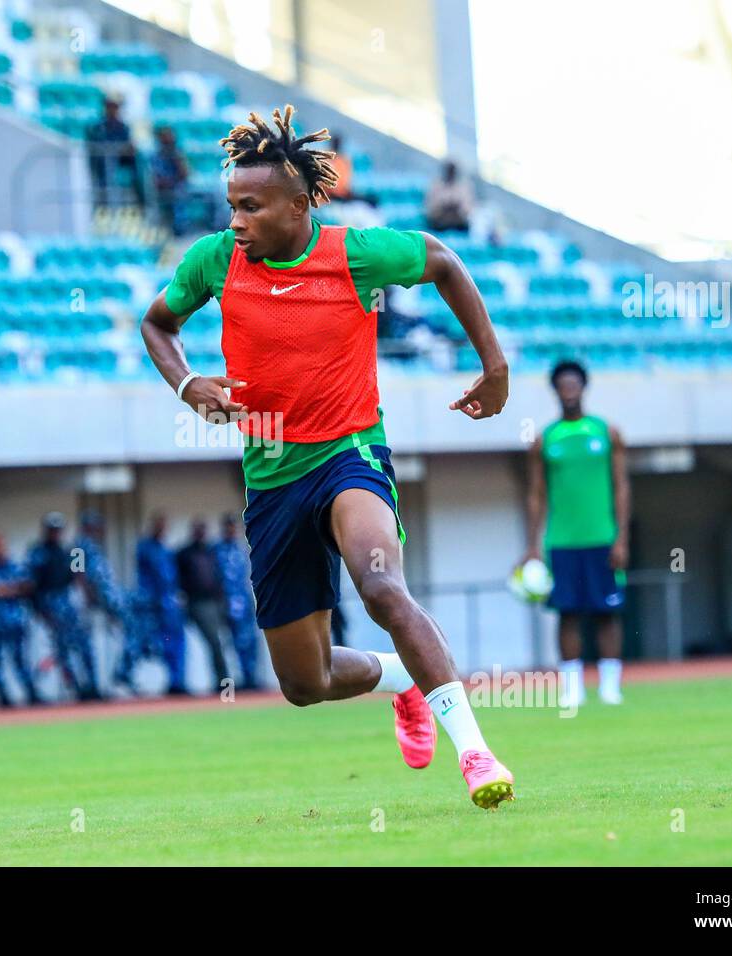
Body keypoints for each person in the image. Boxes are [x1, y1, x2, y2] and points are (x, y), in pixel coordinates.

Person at [139, 104, 515, 809]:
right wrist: (189, 383)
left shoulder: (356, 253)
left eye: (251, 207)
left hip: (350, 453)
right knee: (303, 684)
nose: (236, 221)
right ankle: (400, 681)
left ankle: (476, 752)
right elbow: (158, 324)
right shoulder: (213, 261)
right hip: (272, 476)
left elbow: (444, 261)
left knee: (381, 587)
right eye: (231, 206)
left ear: (301, 204)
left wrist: (493, 366)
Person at [519, 360, 630, 707]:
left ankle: (610, 687)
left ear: (584, 388)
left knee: (606, 613)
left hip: (602, 538)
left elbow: (621, 486)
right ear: (555, 391)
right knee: (567, 613)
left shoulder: (606, 432)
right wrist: (533, 546)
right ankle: (572, 689)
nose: (568, 391)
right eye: (562, 386)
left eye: (574, 385)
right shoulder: (544, 439)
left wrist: (622, 537)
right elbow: (536, 495)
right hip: (561, 542)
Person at [26, 512, 100, 701]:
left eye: (58, 530)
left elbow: (80, 577)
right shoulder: (37, 552)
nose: (55, 533)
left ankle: (92, 686)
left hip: (69, 604)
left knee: (84, 645)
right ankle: (74, 688)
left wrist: (89, 597)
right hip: (49, 604)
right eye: (52, 530)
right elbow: (32, 584)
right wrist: (39, 609)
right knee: (62, 650)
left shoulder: (71, 551)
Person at [75, 511, 141, 695]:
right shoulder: (80, 547)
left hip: (107, 600)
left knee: (129, 632)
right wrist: (88, 598)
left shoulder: (95, 546)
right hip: (98, 601)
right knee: (98, 642)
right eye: (96, 526)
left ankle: (119, 676)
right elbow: (78, 574)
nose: (100, 530)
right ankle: (108, 680)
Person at [0, 531, 39, 707]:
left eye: (0, 545)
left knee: (21, 658)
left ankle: (31, 693)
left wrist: (9, 590)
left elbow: (28, 587)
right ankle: (3, 696)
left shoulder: (16, 565)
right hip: (0, 622)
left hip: (18, 620)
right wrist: (13, 589)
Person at [134, 512, 186, 695]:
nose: (162, 529)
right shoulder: (145, 548)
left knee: (175, 643)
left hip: (170, 605)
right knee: (147, 645)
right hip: (151, 605)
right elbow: (148, 579)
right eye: (159, 525)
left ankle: (176, 681)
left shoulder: (167, 549)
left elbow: (173, 579)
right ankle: (138, 683)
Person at [176, 517, 230, 689]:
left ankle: (224, 681)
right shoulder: (184, 554)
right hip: (198, 603)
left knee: (220, 642)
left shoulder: (212, 551)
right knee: (214, 641)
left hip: (215, 601)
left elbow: (219, 576)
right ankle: (223, 682)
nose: (201, 533)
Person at [213, 513, 259, 689]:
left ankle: (250, 677)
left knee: (249, 641)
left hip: (245, 602)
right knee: (231, 642)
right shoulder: (217, 550)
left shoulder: (242, 549)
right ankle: (233, 680)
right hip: (226, 602)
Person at [86, 97, 143, 208]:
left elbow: (128, 146)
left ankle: (141, 198)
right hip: (102, 162)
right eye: (109, 107)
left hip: (120, 161)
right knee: (107, 162)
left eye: (115, 107)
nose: (112, 110)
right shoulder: (97, 128)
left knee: (138, 161)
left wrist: (127, 149)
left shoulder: (124, 128)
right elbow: (96, 146)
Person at [424, 160, 474, 234]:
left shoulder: (464, 187)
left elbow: (468, 210)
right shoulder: (436, 186)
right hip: (439, 222)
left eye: (452, 171)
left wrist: (455, 205)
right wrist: (444, 205)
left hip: (458, 222)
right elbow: (429, 209)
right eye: (449, 170)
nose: (451, 173)